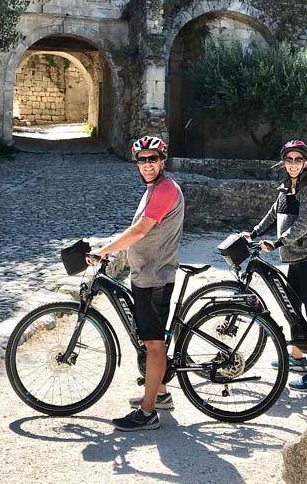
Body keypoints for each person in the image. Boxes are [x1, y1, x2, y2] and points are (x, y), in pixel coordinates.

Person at [88, 135, 184, 431]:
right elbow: (138, 228)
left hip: (155, 277)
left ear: (163, 161)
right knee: (148, 339)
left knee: (154, 344)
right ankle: (160, 395)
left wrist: (105, 250)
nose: (146, 165)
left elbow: (141, 229)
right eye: (141, 160)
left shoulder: (166, 189)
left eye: (152, 159)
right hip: (145, 274)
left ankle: (148, 413)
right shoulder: (154, 188)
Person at [243, 139, 307, 391]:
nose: (293, 164)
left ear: (306, 163)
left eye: (298, 160)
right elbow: (273, 214)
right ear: (284, 162)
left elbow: (304, 224)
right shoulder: (285, 188)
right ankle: (297, 357)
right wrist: (254, 233)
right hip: (294, 258)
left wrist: (277, 243)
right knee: (291, 308)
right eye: (289, 160)